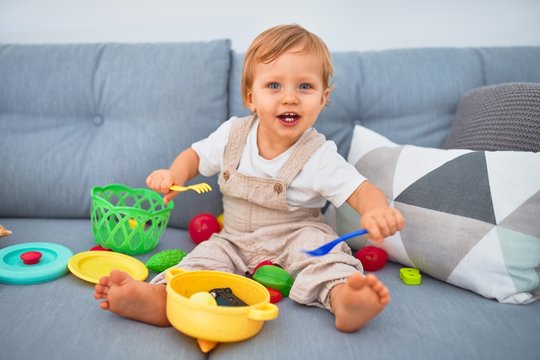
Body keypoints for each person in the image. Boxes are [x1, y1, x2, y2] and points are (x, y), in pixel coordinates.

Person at [94, 24, 404, 333]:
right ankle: (161, 299)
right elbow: (194, 157)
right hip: (234, 239)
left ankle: (345, 299)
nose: (290, 98)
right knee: (202, 261)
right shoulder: (232, 135)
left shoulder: (318, 154)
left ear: (323, 99)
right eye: (274, 86)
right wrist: (174, 174)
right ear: (250, 97)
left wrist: (376, 210)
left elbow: (360, 190)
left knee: (327, 256)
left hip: (296, 236)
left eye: (305, 87)